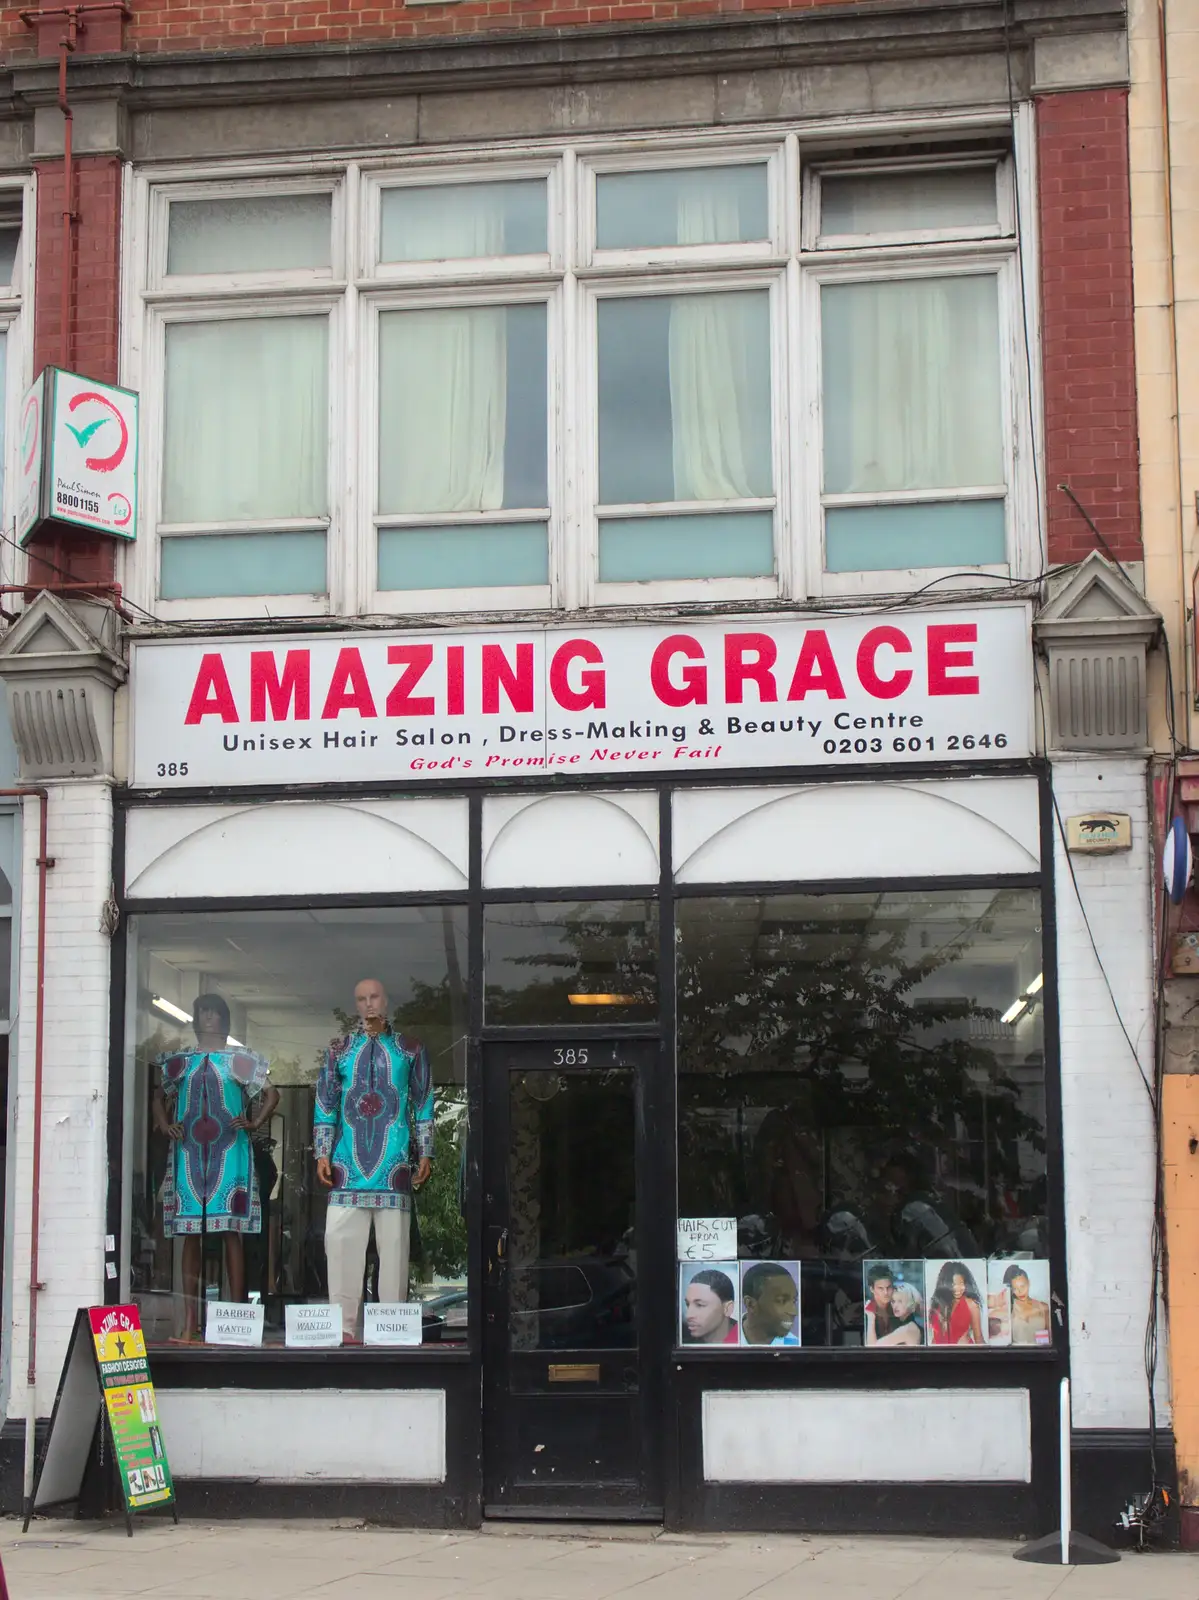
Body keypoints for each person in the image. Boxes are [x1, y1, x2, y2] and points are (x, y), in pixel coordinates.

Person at [152, 994, 279, 1342]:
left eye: (215, 1013)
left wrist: (255, 1123)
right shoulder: (181, 1062)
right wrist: (165, 1127)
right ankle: (190, 1323)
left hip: (230, 1152)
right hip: (189, 1154)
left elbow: (272, 1094)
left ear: (225, 1021)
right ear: (195, 1020)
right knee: (191, 1235)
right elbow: (157, 1099)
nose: (208, 1019)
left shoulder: (239, 1061)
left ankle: (236, 1320)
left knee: (231, 1232)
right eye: (203, 1013)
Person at [315, 978, 434, 1343]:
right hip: (346, 1166)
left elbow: (424, 1101)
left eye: (375, 997)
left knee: (395, 1251)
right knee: (339, 1243)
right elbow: (326, 1103)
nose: (369, 1004)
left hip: (393, 1164)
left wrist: (425, 1150)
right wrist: (322, 1151)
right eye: (362, 999)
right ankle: (344, 1330)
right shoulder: (339, 1050)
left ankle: (392, 1331)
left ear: (388, 1000)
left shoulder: (409, 1050)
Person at [741, 1262, 799, 1346]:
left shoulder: (795, 1346)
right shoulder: (723, 1338)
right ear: (751, 1304)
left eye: (794, 1301)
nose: (794, 1312)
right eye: (781, 1301)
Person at [928, 1260, 984, 1345]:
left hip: (963, 1355)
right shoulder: (937, 1305)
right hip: (938, 1355)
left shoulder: (971, 1305)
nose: (958, 1288)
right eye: (953, 1285)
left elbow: (979, 1339)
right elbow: (935, 1338)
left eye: (961, 1283)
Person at [682, 1268, 738, 1345]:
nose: (688, 1315)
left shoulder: (747, 1340)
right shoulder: (684, 1342)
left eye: (700, 1305)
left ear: (727, 1308)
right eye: (688, 1304)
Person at [1004, 1264, 1051, 1345]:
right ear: (1011, 1290)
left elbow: (1048, 1340)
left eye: (1022, 1286)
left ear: (1028, 1283)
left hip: (1040, 1354)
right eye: (1015, 1288)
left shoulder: (1043, 1307)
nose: (1020, 1291)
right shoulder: (1009, 1309)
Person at [868, 1281, 924, 1347]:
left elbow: (872, 1348)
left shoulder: (907, 1329)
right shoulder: (907, 1326)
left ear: (910, 1303)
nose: (895, 1306)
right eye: (893, 1301)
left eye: (900, 1301)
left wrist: (870, 1317)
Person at [863, 1264, 895, 1342]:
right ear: (872, 1289)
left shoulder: (898, 1307)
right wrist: (871, 1318)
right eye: (881, 1288)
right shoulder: (866, 1311)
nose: (886, 1292)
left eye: (888, 1287)